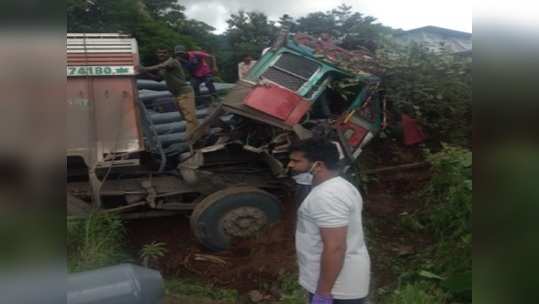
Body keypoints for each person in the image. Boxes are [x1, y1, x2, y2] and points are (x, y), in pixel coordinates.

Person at [288, 139, 370, 304]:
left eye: (296, 161)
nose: (290, 165)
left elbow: (336, 247)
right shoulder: (340, 186)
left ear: (318, 165)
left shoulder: (327, 196)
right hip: (335, 283)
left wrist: (323, 293)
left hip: (337, 289)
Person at [138, 48, 199, 137]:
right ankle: (201, 132)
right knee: (187, 118)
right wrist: (144, 73)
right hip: (177, 95)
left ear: (169, 54)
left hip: (185, 93)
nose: (161, 54)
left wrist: (144, 69)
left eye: (164, 53)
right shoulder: (163, 67)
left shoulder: (172, 62)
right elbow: (158, 79)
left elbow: (161, 66)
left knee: (190, 119)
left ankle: (192, 139)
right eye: (159, 53)